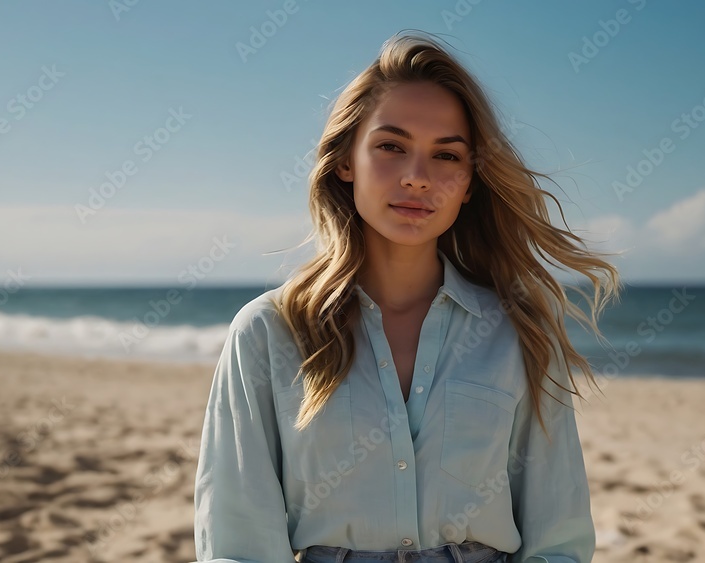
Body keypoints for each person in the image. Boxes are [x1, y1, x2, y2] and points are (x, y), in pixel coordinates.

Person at [193, 31, 621, 563]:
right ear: (345, 160)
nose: (418, 178)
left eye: (446, 155)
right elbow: (238, 543)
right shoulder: (268, 332)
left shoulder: (520, 330)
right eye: (391, 147)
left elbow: (558, 541)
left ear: (469, 182)